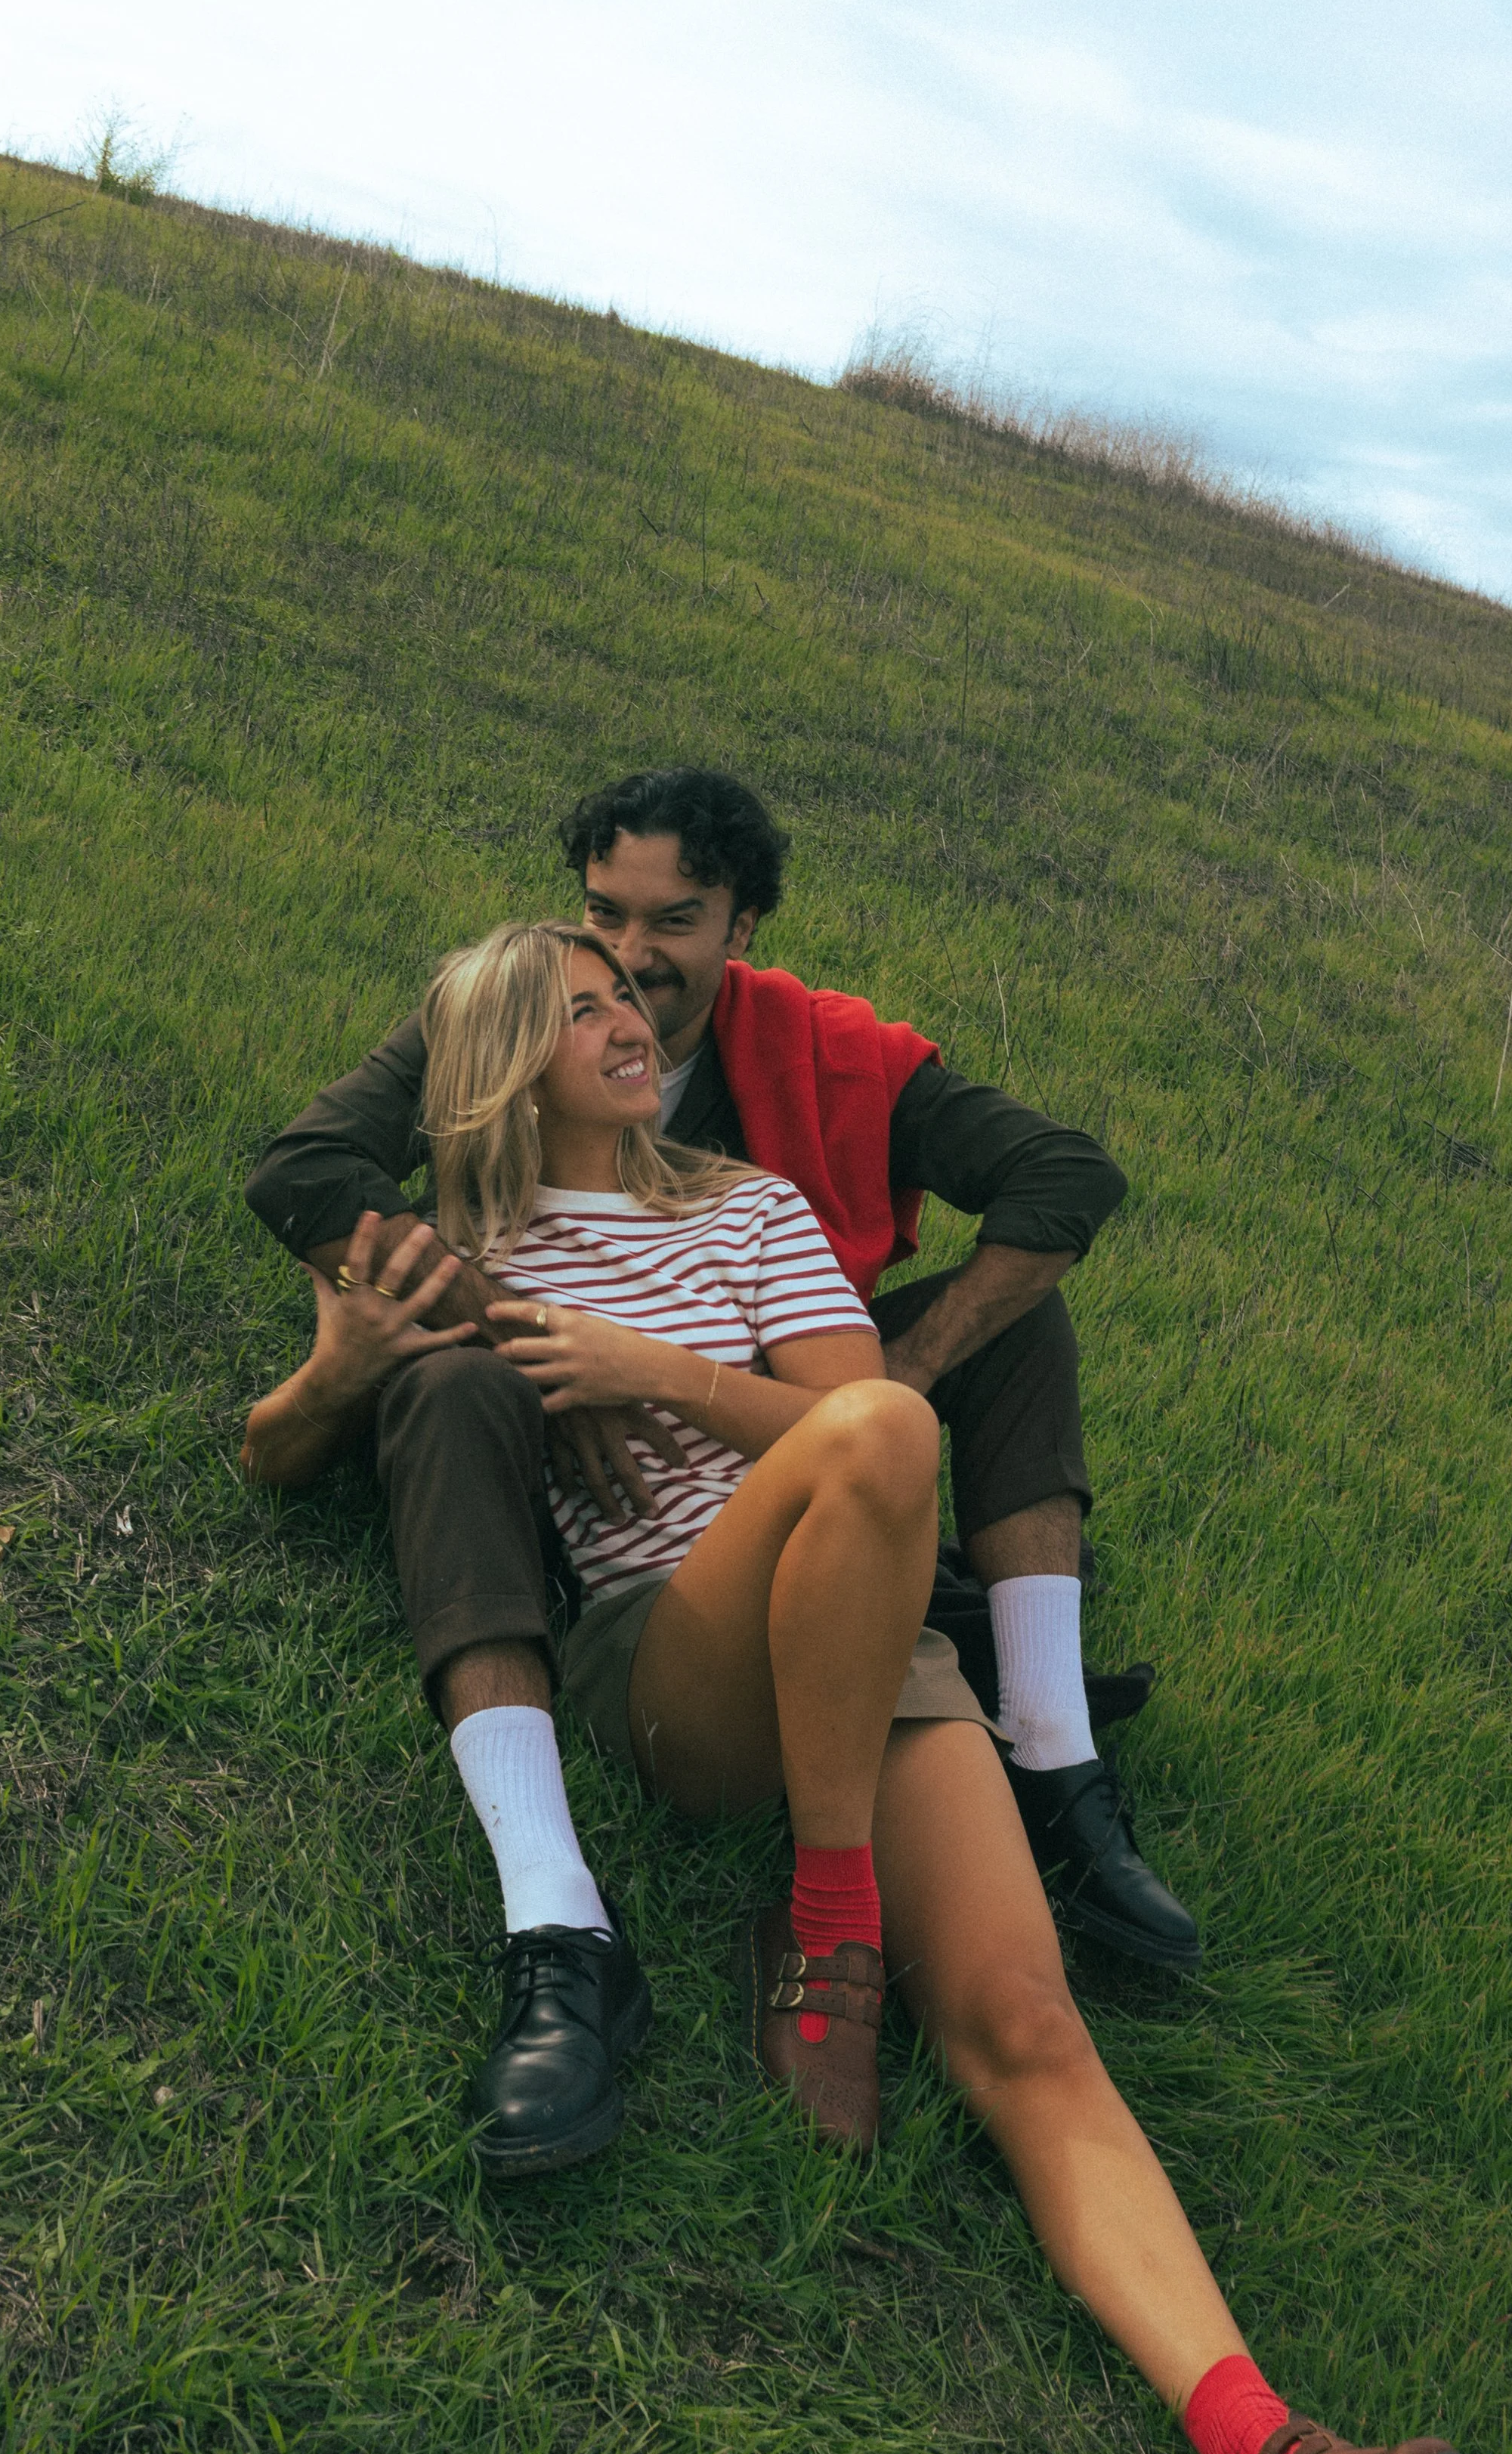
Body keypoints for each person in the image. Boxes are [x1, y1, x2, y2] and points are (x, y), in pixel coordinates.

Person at [245, 923, 1497, 2454]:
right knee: (874, 1443)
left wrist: (657, 1375)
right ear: (498, 1059)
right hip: (675, 1652)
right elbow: (290, 1454)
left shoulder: (743, 1209)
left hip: (872, 1632)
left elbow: (865, 1420)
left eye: (627, 995)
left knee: (1027, 2026)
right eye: (579, 1012)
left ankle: (1265, 2452)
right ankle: (826, 1911)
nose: (630, 1020)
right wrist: (346, 1367)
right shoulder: (455, 1247)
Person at [245, 771, 1198, 2168]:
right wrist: (525, 1341)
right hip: (651, 1495)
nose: (631, 964)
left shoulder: (815, 1058)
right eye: (605, 920)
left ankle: (1052, 1743)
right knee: (453, 1379)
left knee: (1009, 1329)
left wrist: (884, 1403)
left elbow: (1064, 1180)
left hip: (792, 1364)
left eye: (673, 923)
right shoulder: (510, 1011)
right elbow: (304, 1167)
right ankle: (569, 1918)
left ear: (742, 923)